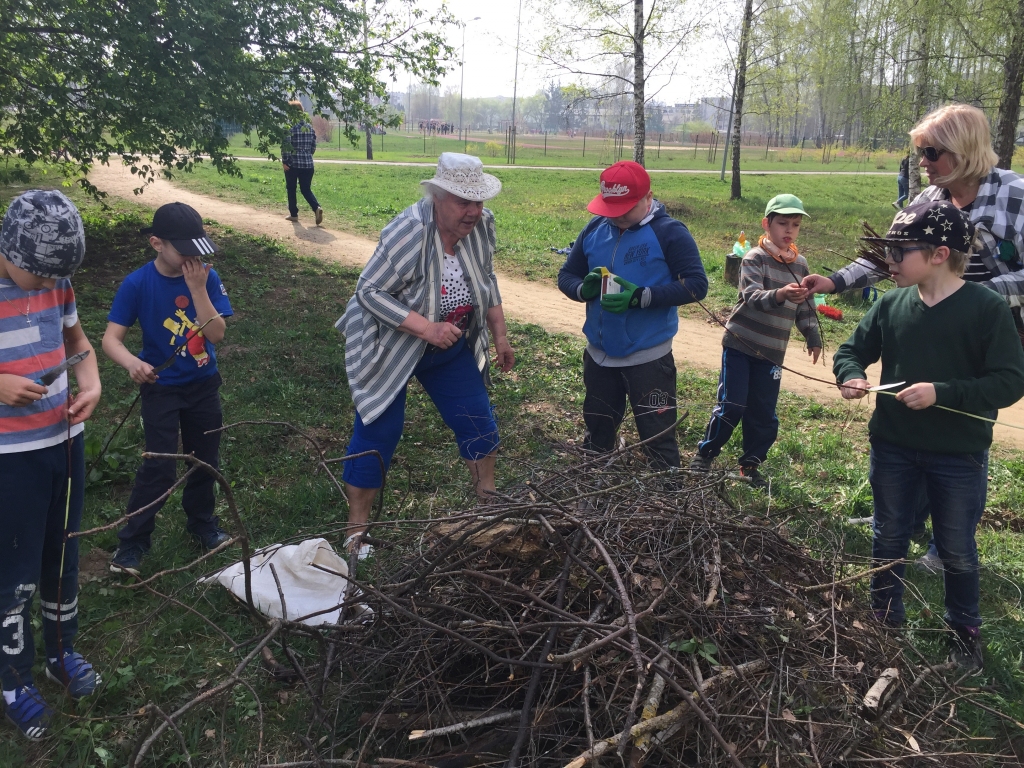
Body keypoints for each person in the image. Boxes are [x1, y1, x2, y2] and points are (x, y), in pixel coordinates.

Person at [803, 103, 1024, 569]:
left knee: (960, 422)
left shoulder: (1016, 196)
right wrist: (835, 282)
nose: (922, 162)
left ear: (962, 150)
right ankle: (898, 515)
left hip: (987, 330)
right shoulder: (928, 200)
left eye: (931, 152)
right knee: (919, 417)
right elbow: (891, 255)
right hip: (929, 321)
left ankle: (947, 543)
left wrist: (975, 295)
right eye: (919, 152)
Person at [833, 199, 1024, 672]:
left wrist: (942, 392)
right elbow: (851, 349)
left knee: (956, 546)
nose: (889, 263)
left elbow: (1009, 381)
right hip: (893, 446)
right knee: (889, 534)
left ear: (939, 254)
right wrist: (851, 374)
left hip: (958, 455)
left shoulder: (986, 309)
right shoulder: (892, 303)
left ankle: (964, 634)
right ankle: (883, 622)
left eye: (900, 253)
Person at [336, 153, 515, 557]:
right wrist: (426, 327)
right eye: (462, 202)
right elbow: (368, 292)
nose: (473, 211)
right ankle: (355, 533)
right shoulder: (409, 231)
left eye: (478, 201)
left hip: (448, 345)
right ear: (437, 196)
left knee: (478, 421)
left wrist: (499, 335)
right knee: (378, 432)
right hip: (392, 343)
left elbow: (485, 278)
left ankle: (488, 511)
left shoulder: (481, 226)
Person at [0, 190, 103, 739]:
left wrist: (90, 379)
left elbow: (77, 340)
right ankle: (12, 677)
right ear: (7, 248)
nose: (46, 287)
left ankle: (61, 652)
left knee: (62, 551)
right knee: (11, 572)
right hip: (8, 456)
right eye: (36, 276)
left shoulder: (55, 279)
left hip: (63, 438)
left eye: (53, 280)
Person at [104, 203, 234, 576]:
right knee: (159, 465)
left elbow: (217, 334)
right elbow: (111, 339)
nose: (193, 258)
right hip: (162, 388)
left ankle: (202, 524)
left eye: (198, 250)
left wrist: (197, 289)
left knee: (205, 458)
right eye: (184, 251)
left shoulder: (206, 278)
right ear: (156, 243)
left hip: (203, 384)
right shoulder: (137, 284)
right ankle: (133, 540)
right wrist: (132, 363)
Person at [557, 161, 707, 469]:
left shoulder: (669, 233)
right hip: (599, 356)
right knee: (598, 428)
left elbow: (696, 285)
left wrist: (640, 297)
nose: (616, 216)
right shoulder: (595, 228)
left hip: (648, 359)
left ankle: (668, 493)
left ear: (648, 197)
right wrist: (582, 290)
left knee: (658, 435)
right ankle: (594, 486)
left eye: (626, 208)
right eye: (611, 209)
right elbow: (567, 274)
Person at [690, 195, 822, 490]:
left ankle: (750, 465)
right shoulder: (754, 257)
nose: (789, 230)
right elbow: (752, 297)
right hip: (741, 345)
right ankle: (705, 453)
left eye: (795, 225)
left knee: (763, 413)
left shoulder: (800, 265)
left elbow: (806, 307)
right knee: (733, 405)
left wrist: (812, 335)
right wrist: (781, 294)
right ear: (767, 224)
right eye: (782, 223)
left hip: (773, 353)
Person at [282, 100, 324, 226]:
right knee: (306, 189)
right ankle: (316, 207)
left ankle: (294, 214)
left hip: (293, 163)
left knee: (291, 188)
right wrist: (306, 155)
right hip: (308, 164)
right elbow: (313, 147)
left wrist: (285, 161)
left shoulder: (289, 127)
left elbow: (286, 146)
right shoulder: (309, 128)